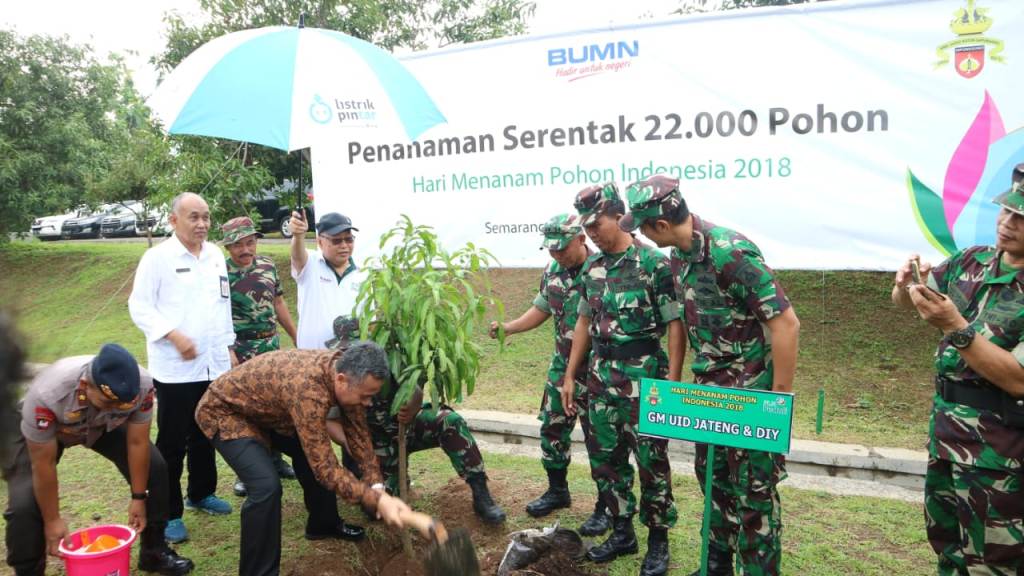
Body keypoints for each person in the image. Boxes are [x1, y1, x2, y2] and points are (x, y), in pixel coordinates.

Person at [623, 175, 800, 576]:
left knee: (754, 499)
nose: (642, 236)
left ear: (661, 225)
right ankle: (717, 566)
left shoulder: (730, 253)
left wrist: (779, 400)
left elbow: (786, 324)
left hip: (750, 400)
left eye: (643, 228)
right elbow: (688, 321)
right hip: (709, 396)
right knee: (714, 482)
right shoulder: (679, 258)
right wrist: (676, 380)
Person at [892, 163, 1024, 575]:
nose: (1007, 223)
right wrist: (906, 286)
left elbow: (1019, 379)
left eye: (1021, 218)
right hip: (946, 439)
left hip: (1000, 456)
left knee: (994, 564)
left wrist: (956, 327)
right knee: (948, 552)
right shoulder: (972, 261)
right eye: (1006, 211)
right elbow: (911, 302)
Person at [195, 341, 417, 576]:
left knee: (310, 454)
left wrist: (377, 487)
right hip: (227, 412)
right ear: (341, 380)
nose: (368, 403)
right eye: (365, 396)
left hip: (271, 412)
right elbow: (325, 469)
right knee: (265, 487)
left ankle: (324, 524)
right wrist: (373, 499)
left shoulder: (344, 373)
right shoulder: (309, 391)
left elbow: (360, 436)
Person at [562, 183, 682, 576]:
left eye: (596, 224)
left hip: (644, 380)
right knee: (606, 461)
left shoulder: (653, 264)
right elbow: (583, 321)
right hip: (600, 379)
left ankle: (658, 541)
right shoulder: (592, 268)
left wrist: (672, 383)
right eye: (586, 227)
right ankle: (622, 532)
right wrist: (570, 376)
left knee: (651, 463)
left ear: (618, 215)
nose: (592, 233)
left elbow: (675, 324)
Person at [2, 344, 194, 576]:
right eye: (109, 402)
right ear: (85, 386)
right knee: (24, 502)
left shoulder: (141, 386)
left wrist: (139, 497)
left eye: (123, 405)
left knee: (155, 467)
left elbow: (137, 443)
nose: (118, 408)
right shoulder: (48, 395)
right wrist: (52, 520)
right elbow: (43, 464)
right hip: (46, 426)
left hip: (102, 424)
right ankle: (28, 571)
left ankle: (154, 552)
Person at [488, 213, 609, 534]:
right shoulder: (553, 270)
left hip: (598, 370)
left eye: (562, 247)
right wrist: (509, 328)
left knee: (601, 440)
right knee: (553, 429)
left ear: (581, 239)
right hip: (561, 367)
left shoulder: (603, 269)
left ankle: (606, 505)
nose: (557, 254)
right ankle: (558, 491)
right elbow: (542, 308)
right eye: (551, 248)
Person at [128, 191, 234, 544]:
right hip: (175, 369)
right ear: (174, 220)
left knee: (205, 432)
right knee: (172, 443)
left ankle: (201, 493)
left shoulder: (215, 255)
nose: (202, 223)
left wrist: (229, 348)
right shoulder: (157, 258)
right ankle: (169, 511)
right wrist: (173, 335)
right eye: (194, 217)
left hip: (212, 364)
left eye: (206, 216)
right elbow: (139, 307)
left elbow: (222, 305)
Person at [329, 316, 506, 525]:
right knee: (377, 509)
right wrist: (352, 445)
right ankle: (397, 483)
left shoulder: (389, 360)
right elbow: (331, 421)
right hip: (374, 446)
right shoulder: (338, 376)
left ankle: (481, 494)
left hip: (407, 427)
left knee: (449, 421)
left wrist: (413, 407)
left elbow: (416, 388)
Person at [220, 216, 298, 496]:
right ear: (228, 246)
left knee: (275, 406)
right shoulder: (220, 272)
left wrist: (295, 335)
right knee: (245, 412)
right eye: (238, 244)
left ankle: (276, 459)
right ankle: (247, 471)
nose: (245, 249)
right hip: (240, 349)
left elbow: (278, 302)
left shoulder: (267, 266)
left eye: (250, 242)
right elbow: (215, 314)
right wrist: (228, 350)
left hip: (270, 346)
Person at [289, 210, 366, 350]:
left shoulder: (363, 273)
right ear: (320, 242)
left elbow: (369, 321)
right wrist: (298, 236)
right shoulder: (310, 264)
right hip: (312, 356)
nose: (344, 245)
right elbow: (297, 255)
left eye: (349, 239)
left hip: (351, 357)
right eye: (337, 241)